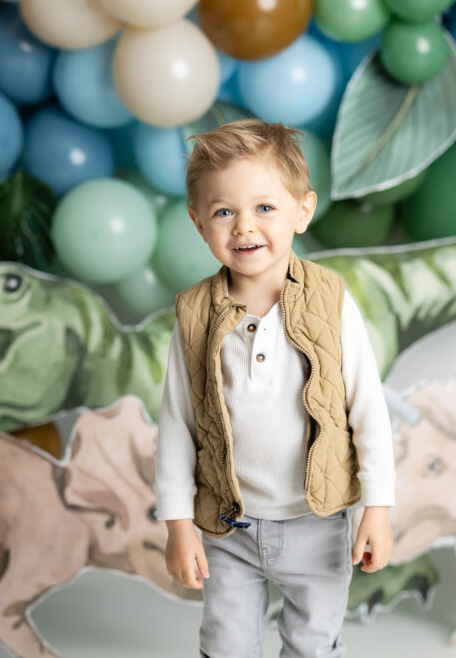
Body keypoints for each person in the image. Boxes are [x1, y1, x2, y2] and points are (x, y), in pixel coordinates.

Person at [154, 119, 396, 657]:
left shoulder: (330, 301)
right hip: (228, 528)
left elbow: (367, 409)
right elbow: (177, 424)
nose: (244, 227)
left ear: (302, 211)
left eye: (265, 207)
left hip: (318, 521)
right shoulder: (194, 315)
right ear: (198, 222)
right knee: (225, 646)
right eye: (224, 211)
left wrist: (376, 508)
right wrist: (178, 525)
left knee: (313, 646)